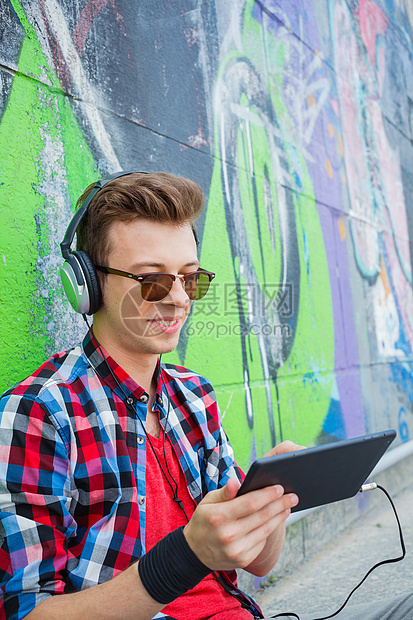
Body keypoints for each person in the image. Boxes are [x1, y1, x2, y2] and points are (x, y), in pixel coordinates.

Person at [0, 172, 411, 620]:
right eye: (152, 281)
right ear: (88, 285)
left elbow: (259, 562)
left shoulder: (193, 396)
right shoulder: (40, 413)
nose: (178, 299)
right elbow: (29, 613)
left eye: (190, 279)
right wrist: (185, 556)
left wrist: (275, 499)